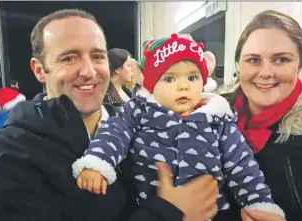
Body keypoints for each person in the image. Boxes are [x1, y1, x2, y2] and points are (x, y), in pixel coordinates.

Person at [0, 9, 220, 221]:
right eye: (69, 58)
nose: (89, 71)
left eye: (97, 56)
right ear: (39, 70)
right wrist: (166, 213)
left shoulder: (141, 125)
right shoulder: (5, 155)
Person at [72, 33, 285, 218]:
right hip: (156, 212)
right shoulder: (140, 110)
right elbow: (114, 133)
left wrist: (259, 204)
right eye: (170, 79)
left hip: (214, 213)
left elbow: (242, 164)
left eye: (192, 77)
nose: (183, 86)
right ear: (152, 85)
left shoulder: (218, 118)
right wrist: (98, 162)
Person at [218, 10, 302, 221]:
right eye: (253, 60)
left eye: (281, 59)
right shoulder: (211, 122)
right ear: (239, 64)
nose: (266, 72)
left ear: (300, 65)